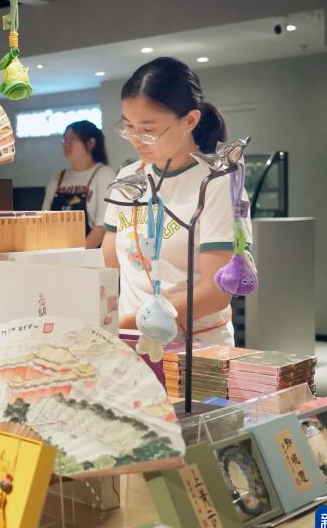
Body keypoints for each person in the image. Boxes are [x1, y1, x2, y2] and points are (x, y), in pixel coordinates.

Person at [102, 57, 252, 346]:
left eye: (148, 129)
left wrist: (127, 323)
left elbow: (216, 292)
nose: (136, 139)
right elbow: (108, 266)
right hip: (129, 343)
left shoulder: (216, 183)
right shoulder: (128, 178)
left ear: (190, 120)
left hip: (195, 347)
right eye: (129, 126)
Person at [41, 120, 115, 248]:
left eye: (72, 140)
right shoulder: (57, 178)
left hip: (90, 254)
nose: (66, 144)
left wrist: (77, 255)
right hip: (56, 251)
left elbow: (103, 226)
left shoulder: (104, 174)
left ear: (90, 143)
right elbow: (43, 221)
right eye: (64, 140)